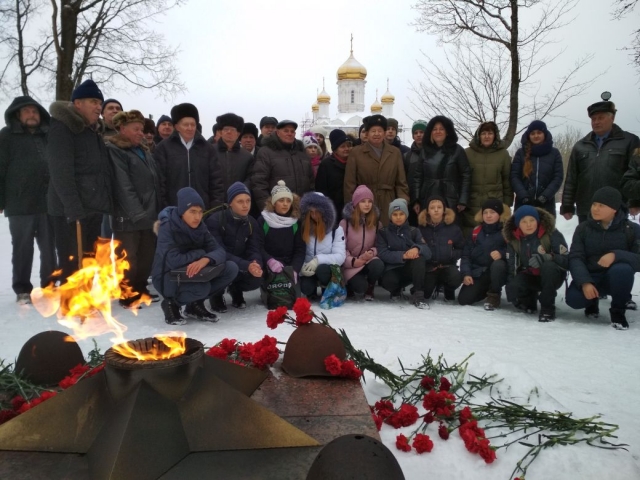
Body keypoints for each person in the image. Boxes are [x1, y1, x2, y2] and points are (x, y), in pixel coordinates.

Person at [47, 79, 113, 281]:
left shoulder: (92, 131)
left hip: (92, 208)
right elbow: (61, 173)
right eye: (93, 101)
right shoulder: (63, 128)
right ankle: (72, 306)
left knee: (88, 260)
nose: (98, 107)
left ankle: (84, 302)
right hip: (71, 211)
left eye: (99, 103)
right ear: (78, 104)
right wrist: (73, 208)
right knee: (73, 262)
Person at [152, 187, 238, 325]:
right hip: (167, 276)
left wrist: (205, 260)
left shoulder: (200, 226)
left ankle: (194, 306)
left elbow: (219, 250)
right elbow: (174, 260)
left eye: (200, 212)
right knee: (201, 288)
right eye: (192, 212)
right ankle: (170, 303)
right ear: (181, 212)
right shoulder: (167, 227)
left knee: (231, 268)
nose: (197, 217)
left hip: (191, 272)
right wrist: (199, 253)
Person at [0, 96, 56, 304]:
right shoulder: (6, 136)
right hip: (19, 202)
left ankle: (50, 286)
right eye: (26, 111)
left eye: (34, 111)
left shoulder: (48, 135)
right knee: (22, 248)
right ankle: (22, 289)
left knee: (50, 248)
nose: (31, 114)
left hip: (48, 201)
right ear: (18, 114)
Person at [106, 110, 161, 308]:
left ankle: (140, 288)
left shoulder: (144, 151)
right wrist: (137, 213)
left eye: (142, 129)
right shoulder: (115, 150)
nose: (140, 133)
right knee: (127, 257)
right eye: (136, 129)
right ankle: (127, 292)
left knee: (146, 255)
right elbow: (123, 185)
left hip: (148, 214)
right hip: (127, 216)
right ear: (122, 128)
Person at [565, 187, 640, 330]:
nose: (595, 209)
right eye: (594, 204)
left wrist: (616, 255)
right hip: (591, 275)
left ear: (614, 209)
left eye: (601, 206)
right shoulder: (583, 228)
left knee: (622, 269)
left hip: (615, 278)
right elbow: (575, 258)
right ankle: (592, 301)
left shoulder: (631, 229)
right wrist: (585, 282)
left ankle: (618, 312)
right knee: (573, 300)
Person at [561, 98, 640, 223]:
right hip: (587, 208)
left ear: (612, 118)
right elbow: (571, 178)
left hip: (616, 208)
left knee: (614, 242)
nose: (596, 122)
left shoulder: (629, 141)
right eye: (593, 119)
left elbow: (634, 174)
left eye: (601, 118)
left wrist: (635, 201)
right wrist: (567, 205)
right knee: (587, 241)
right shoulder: (580, 146)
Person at [504, 205, 569, 322]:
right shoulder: (513, 239)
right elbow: (511, 265)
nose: (528, 225)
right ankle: (529, 300)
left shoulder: (551, 233)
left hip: (552, 275)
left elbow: (566, 259)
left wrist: (548, 257)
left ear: (537, 221)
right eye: (524, 222)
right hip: (530, 275)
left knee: (548, 267)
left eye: (532, 220)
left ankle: (548, 308)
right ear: (518, 224)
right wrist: (511, 288)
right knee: (513, 287)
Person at [153, 103, 224, 209]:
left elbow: (216, 181)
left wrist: (214, 208)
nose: (190, 128)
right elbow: (160, 183)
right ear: (177, 127)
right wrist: (165, 208)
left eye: (193, 124)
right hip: (174, 208)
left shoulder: (207, 149)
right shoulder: (163, 148)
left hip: (202, 209)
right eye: (186, 125)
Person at [206, 182, 263, 311]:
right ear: (230, 203)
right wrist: (246, 265)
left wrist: (255, 263)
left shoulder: (251, 222)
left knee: (257, 277)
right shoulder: (215, 220)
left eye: (248, 201)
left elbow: (254, 248)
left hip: (240, 264)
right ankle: (216, 295)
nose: (245, 205)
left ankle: (236, 289)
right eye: (240, 201)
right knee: (223, 266)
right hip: (220, 264)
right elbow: (219, 252)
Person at [344, 115, 409, 226]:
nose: (377, 134)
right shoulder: (356, 152)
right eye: (373, 131)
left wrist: (403, 202)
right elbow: (349, 183)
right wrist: (352, 207)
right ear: (367, 133)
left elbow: (401, 183)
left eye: (380, 131)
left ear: (384, 133)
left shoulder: (395, 152)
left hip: (389, 202)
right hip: (365, 202)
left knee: (387, 235)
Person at [411, 115, 471, 218]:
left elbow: (466, 175)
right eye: (434, 129)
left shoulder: (457, 150)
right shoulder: (425, 151)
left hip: (450, 198)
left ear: (447, 131)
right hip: (428, 197)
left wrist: (463, 200)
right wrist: (416, 200)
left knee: (449, 229)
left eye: (441, 129)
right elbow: (418, 176)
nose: (438, 132)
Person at [377, 198, 431, 308]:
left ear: (406, 215)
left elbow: (427, 251)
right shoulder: (383, 233)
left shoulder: (414, 231)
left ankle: (418, 295)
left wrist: (417, 249)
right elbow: (383, 253)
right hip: (392, 269)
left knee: (419, 258)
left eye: (401, 214)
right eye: (395, 214)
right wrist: (403, 255)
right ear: (390, 216)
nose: (398, 217)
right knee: (388, 281)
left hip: (409, 269)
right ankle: (396, 290)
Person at [458, 198, 509, 310]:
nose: (488, 215)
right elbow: (466, 255)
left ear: (500, 214)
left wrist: (502, 253)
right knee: (463, 300)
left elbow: (514, 252)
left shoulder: (506, 232)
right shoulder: (475, 232)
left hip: (498, 271)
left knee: (498, 265)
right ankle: (485, 289)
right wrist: (466, 274)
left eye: (492, 212)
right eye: (485, 212)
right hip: (479, 272)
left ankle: (494, 294)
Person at [251, 119, 315, 209]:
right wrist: (268, 209)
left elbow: (311, 183)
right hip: (277, 211)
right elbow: (259, 183)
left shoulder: (302, 154)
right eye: (286, 131)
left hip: (301, 210)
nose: (289, 133)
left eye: (292, 131)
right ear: (277, 132)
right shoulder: (266, 152)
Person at [463, 121, 512, 235]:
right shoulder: (467, 153)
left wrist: (507, 204)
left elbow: (507, 181)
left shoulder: (503, 154)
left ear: (495, 135)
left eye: (490, 133)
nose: (486, 136)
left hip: (495, 205)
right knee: (472, 239)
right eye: (483, 133)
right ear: (478, 135)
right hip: (471, 205)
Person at [339, 186, 384, 301]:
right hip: (351, 264)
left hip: (368, 260)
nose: (367, 204)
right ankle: (350, 284)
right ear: (356, 203)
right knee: (360, 288)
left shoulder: (377, 223)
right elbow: (340, 248)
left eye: (369, 201)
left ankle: (370, 286)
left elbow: (380, 245)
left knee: (378, 265)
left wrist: (371, 253)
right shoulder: (345, 223)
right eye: (363, 201)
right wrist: (353, 261)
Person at [298, 192, 346, 300]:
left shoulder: (336, 230)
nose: (314, 215)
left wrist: (317, 260)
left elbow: (340, 256)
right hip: (308, 268)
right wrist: (302, 268)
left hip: (326, 269)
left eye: (318, 212)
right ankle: (311, 292)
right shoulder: (302, 228)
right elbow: (297, 252)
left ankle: (326, 288)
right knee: (306, 288)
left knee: (322, 270)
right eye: (311, 212)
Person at [510, 120, 563, 217]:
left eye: (539, 132)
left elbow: (558, 177)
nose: (536, 136)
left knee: (545, 231)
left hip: (546, 204)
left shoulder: (554, 153)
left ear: (545, 134)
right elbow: (514, 177)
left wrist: (544, 197)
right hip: (523, 204)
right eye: (533, 133)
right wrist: (524, 196)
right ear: (528, 135)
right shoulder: (521, 153)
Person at [418, 195, 464, 302]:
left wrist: (451, 254)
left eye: (439, 207)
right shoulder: (421, 228)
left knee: (455, 278)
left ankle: (448, 289)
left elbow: (462, 248)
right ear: (427, 211)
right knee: (425, 293)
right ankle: (433, 284)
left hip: (447, 265)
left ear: (444, 210)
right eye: (432, 207)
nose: (436, 210)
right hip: (429, 267)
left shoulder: (453, 228)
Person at [258, 180, 305, 282]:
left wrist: (294, 269)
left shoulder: (295, 222)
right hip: (269, 265)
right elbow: (258, 246)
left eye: (288, 201)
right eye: (281, 200)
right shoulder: (264, 220)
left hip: (289, 264)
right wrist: (269, 261)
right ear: (274, 203)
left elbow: (300, 250)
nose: (285, 204)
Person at [212, 113, 254, 192]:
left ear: (238, 134)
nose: (229, 132)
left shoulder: (247, 157)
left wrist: (240, 191)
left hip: (239, 199)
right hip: (215, 199)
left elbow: (250, 179)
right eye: (226, 129)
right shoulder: (210, 151)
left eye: (232, 129)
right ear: (221, 132)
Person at [316, 129, 353, 216]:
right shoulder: (326, 164)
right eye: (343, 146)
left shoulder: (353, 162)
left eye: (348, 146)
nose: (346, 149)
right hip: (333, 208)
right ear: (335, 149)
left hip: (351, 206)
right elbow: (321, 189)